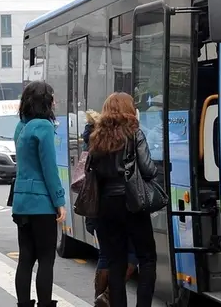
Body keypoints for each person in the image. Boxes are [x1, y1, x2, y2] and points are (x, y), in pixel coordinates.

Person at [89, 92, 157, 307]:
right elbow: (148, 169)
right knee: (146, 259)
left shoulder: (97, 136)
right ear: (130, 109)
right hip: (132, 202)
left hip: (106, 207)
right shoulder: (134, 133)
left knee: (115, 262)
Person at [12, 81, 66, 307]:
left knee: (25, 258)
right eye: (52, 97)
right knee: (46, 258)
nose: (55, 101)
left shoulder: (21, 126)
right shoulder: (43, 127)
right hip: (41, 203)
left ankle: (24, 304)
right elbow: (49, 169)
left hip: (21, 201)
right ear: (46, 102)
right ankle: (44, 303)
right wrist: (59, 201)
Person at [82, 110, 138, 307]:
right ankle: (106, 296)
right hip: (124, 204)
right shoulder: (128, 137)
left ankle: (100, 297)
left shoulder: (95, 139)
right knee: (132, 254)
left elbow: (89, 174)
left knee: (106, 255)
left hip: (99, 205)